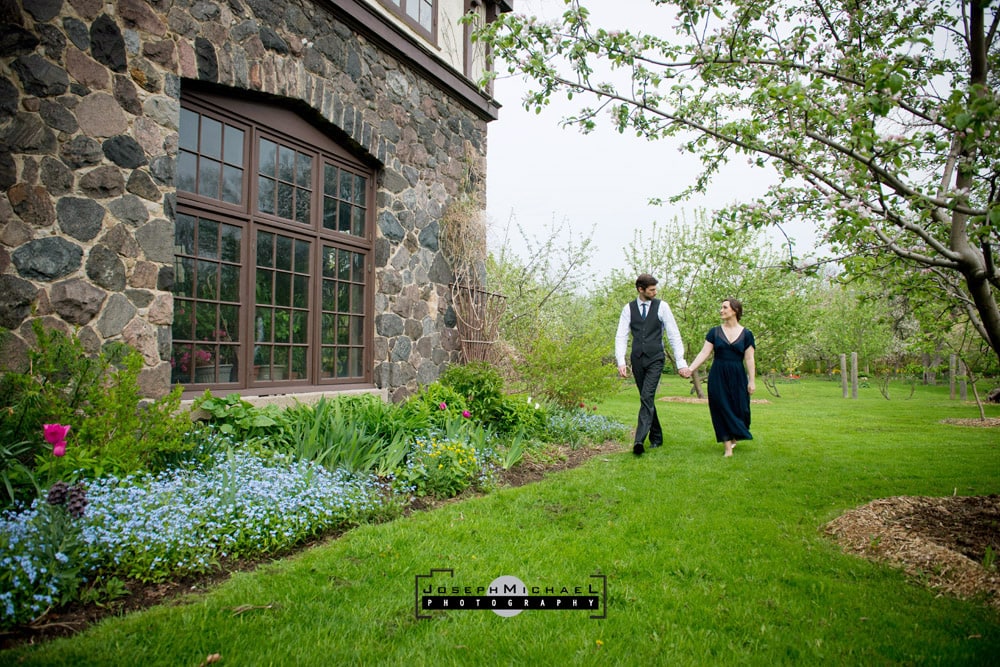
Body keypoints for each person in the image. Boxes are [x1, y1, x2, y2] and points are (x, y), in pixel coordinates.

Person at [615, 274, 689, 455]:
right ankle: (657, 436)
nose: (655, 292)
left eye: (655, 289)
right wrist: (621, 361)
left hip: (656, 358)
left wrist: (680, 363)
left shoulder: (662, 307)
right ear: (641, 290)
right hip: (637, 359)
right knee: (646, 398)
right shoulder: (629, 309)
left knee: (647, 396)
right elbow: (621, 335)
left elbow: (674, 334)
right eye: (651, 290)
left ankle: (639, 440)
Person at [680, 298, 756, 457]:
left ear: (734, 310)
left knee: (741, 410)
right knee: (721, 408)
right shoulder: (714, 332)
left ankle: (735, 435)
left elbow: (749, 358)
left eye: (724, 307)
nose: (721, 310)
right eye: (721, 307)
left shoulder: (747, 334)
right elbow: (704, 353)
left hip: (738, 375)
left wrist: (752, 380)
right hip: (718, 375)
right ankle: (727, 448)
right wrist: (690, 369)